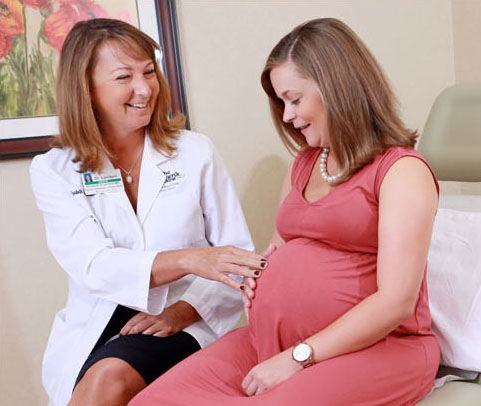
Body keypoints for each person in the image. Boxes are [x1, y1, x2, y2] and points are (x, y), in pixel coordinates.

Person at [131, 17, 440, 405]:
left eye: (294, 99)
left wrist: (298, 357)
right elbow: (278, 249)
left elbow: (396, 301)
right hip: (274, 342)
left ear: (336, 87)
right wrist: (259, 279)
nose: (287, 115)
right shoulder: (304, 165)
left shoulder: (401, 171)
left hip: (378, 349)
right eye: (281, 103)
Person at [29, 19, 267, 406]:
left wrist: (183, 311)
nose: (145, 89)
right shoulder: (54, 170)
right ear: (86, 89)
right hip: (96, 323)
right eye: (124, 76)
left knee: (109, 378)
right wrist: (192, 258)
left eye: (149, 71)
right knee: (95, 380)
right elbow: (93, 265)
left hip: (183, 320)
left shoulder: (195, 152)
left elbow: (236, 257)